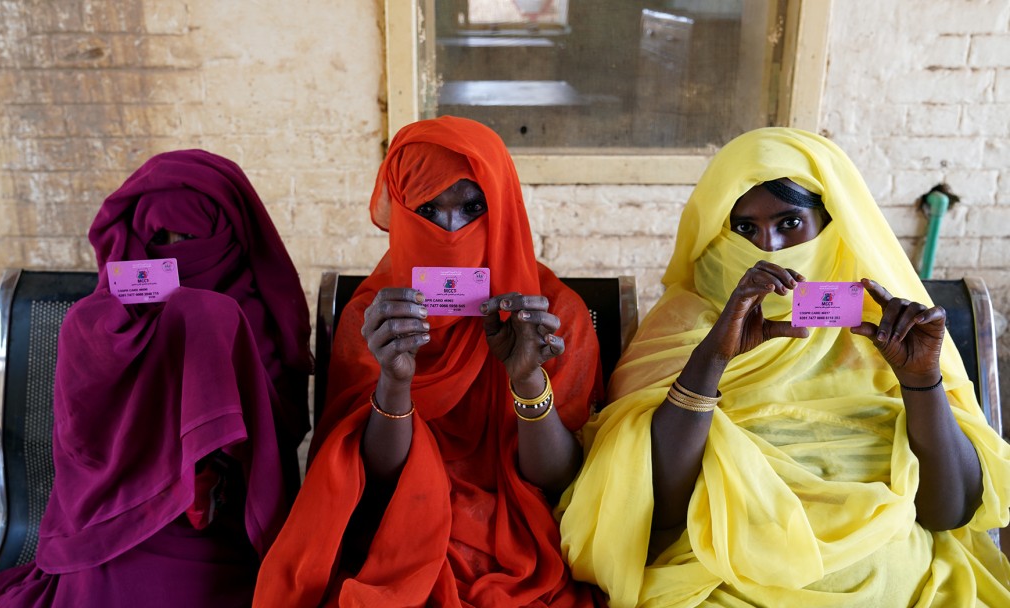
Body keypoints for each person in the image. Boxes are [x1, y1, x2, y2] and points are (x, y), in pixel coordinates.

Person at [558, 127, 1010, 607]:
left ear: (832, 224)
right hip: (722, 582)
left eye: (790, 223)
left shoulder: (890, 330)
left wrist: (921, 382)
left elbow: (950, 511)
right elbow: (655, 511)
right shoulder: (684, 324)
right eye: (745, 229)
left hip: (892, 580)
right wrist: (712, 358)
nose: (767, 248)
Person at [253, 116, 604, 607]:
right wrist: (395, 383)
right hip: (393, 535)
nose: (451, 231)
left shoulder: (550, 314)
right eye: (428, 211)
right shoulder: (374, 316)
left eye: (471, 208)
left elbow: (561, 481)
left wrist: (526, 379)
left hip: (520, 543)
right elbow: (370, 485)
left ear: (501, 208)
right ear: (400, 213)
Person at [0, 149, 312, 607]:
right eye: (161, 238)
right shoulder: (95, 325)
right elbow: (84, 456)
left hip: (223, 526)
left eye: (192, 237)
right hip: (116, 523)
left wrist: (208, 337)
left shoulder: (252, 318)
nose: (175, 251)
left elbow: (275, 445)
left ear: (230, 238)